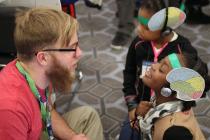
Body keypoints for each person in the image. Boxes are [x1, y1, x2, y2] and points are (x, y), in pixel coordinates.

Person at [0, 8, 104, 140]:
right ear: (43, 58)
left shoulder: (39, 74)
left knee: (88, 116)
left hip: (36, 131)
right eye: (72, 48)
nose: (79, 53)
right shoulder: (11, 110)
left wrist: (73, 137)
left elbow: (46, 110)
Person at [119, 0, 209, 139]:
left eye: (145, 27)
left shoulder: (182, 51)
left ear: (165, 29)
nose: (138, 29)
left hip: (167, 110)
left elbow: (191, 85)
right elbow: (129, 73)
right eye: (138, 22)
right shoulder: (138, 43)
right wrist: (132, 106)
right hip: (141, 108)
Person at [137, 53, 210, 139]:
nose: (153, 65)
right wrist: (140, 115)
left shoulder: (174, 133)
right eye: (160, 61)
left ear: (170, 90)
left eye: (161, 69)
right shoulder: (172, 102)